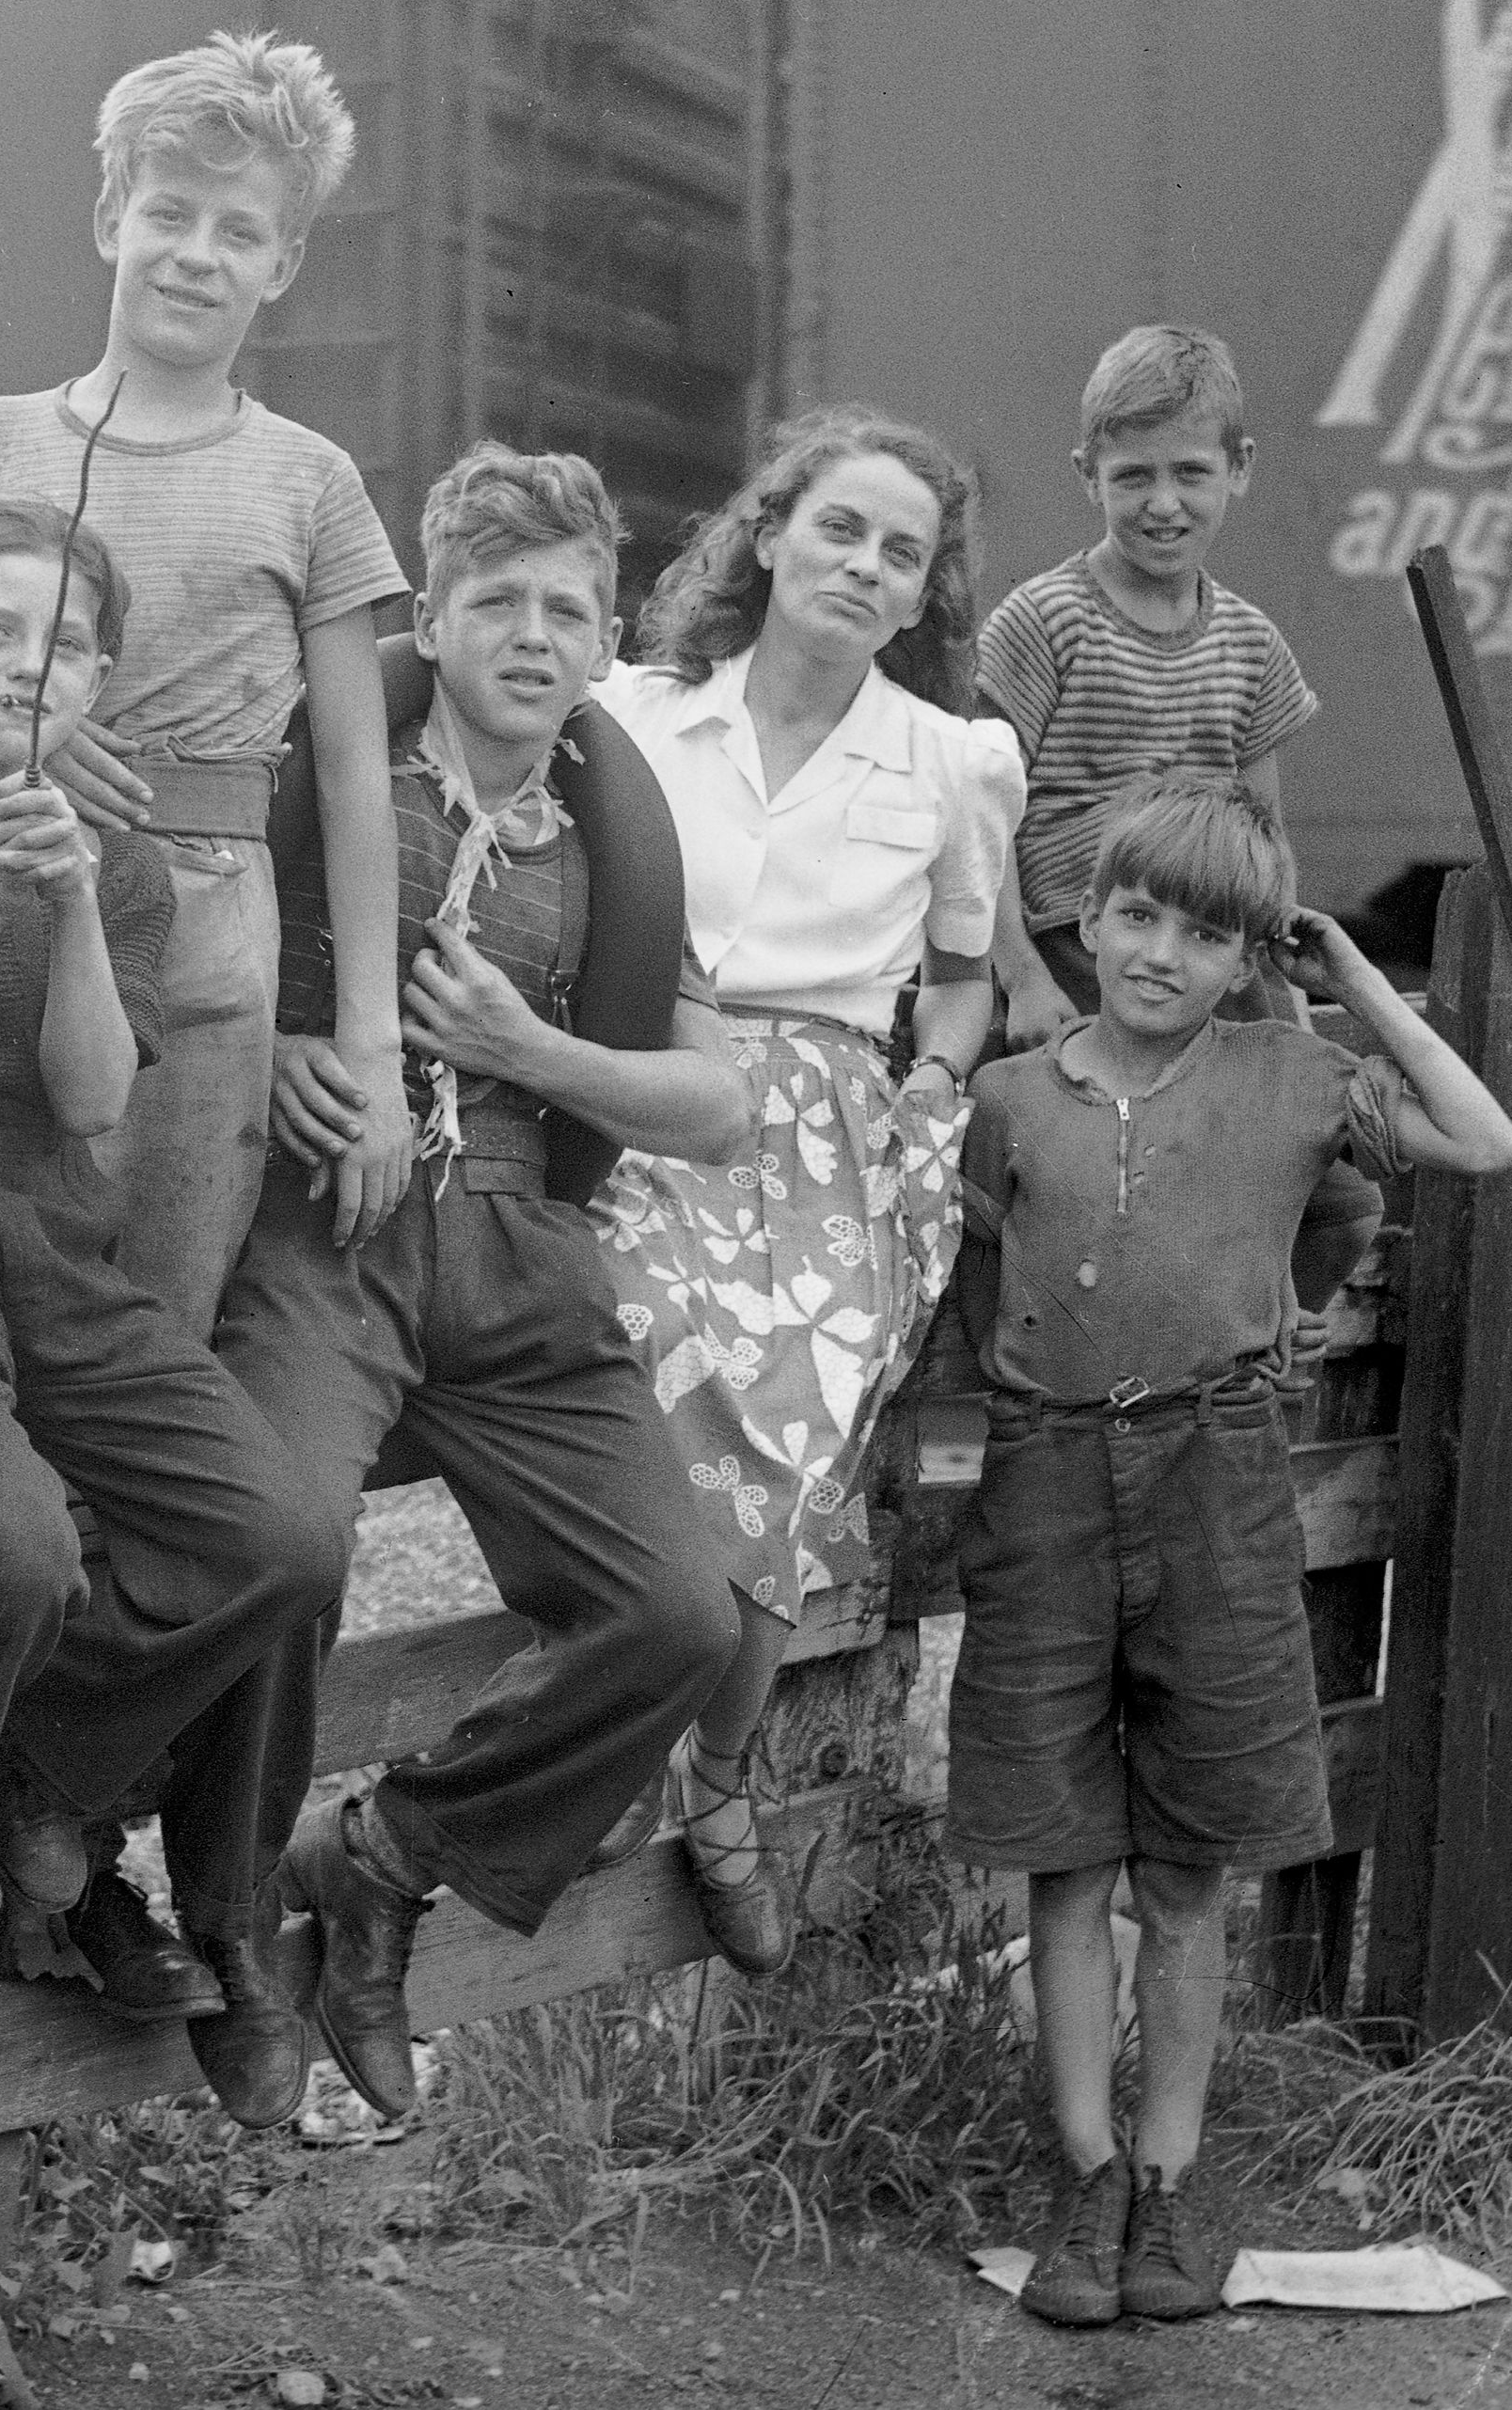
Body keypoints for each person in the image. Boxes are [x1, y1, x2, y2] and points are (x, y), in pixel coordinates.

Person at [186, 444, 756, 2131]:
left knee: (680, 1615)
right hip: (330, 1229)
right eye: (494, 599)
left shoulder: (612, 830)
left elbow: (718, 1105)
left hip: (520, 1238)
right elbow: (188, 959)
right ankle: (224, 1916)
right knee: (281, 1545)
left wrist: (542, 1049)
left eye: (566, 607)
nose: (530, 632)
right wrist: (288, 1042)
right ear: (431, 616)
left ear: (604, 637)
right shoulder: (335, 773)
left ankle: (378, 1860)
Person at [953, 779, 1512, 2328]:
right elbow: (987, 1283)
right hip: (1049, 1480)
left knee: (1186, 1866)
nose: (1160, 952)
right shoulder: (1012, 1098)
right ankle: (1076, 2171)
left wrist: (1359, 987)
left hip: (1220, 1474)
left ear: (1243, 954)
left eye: (1207, 933)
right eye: (1138, 914)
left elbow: (1484, 1135)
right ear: (1089, 915)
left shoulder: (1290, 1074)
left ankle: (1165, 2180)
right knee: (1064, 1859)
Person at [0, 494, 346, 2020]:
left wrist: (63, 901)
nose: (29, 672)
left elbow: (97, 1096)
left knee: (283, 1541)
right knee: (22, 1546)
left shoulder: (113, 865)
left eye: (68, 652)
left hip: (58, 1244)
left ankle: (45, 1769)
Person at [586, 406, 1022, 1978]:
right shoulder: (629, 713)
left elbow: (967, 982)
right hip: (647, 1088)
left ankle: (713, 1782)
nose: (865, 563)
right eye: (840, 527)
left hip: (842, 1130)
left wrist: (929, 1088)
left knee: (796, 1441)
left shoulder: (956, 761)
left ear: (923, 598)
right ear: (769, 535)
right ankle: (623, 1749)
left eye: (902, 552)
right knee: (664, 1387)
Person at [0, 31, 416, 1345]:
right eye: (168, 213)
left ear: (284, 263)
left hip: (205, 930)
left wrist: (373, 1045)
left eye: (240, 231)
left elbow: (357, 775)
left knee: (158, 1313)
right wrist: (25, 731)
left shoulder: (313, 479)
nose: (197, 252)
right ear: (108, 217)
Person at [978, 328, 1318, 1050]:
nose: (1164, 503)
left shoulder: (1251, 642)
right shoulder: (1043, 622)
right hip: (1078, 951)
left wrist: (1283, 986)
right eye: (1134, 476)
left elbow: (1266, 834)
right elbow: (980, 819)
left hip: (1206, 952)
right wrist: (1022, 977)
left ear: (1240, 468)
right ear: (1087, 475)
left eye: (1191, 473)